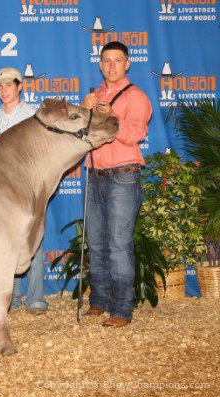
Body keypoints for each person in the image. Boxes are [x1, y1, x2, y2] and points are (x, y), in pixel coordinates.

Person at [80, 41, 152, 328]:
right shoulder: (93, 95)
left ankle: (121, 310)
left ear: (127, 64)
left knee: (119, 245)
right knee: (96, 245)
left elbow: (135, 134)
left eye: (117, 60)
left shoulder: (136, 97)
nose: (111, 66)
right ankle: (99, 301)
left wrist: (113, 117)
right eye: (106, 61)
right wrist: (83, 111)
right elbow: (80, 135)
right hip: (94, 174)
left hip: (123, 174)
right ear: (100, 64)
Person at [0, 67, 48, 316]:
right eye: (0, 86)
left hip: (29, 186)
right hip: (1, 190)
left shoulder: (35, 115)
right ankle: (11, 299)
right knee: (5, 244)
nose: (4, 90)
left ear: (20, 86)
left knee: (32, 240)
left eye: (8, 85)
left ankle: (36, 299)